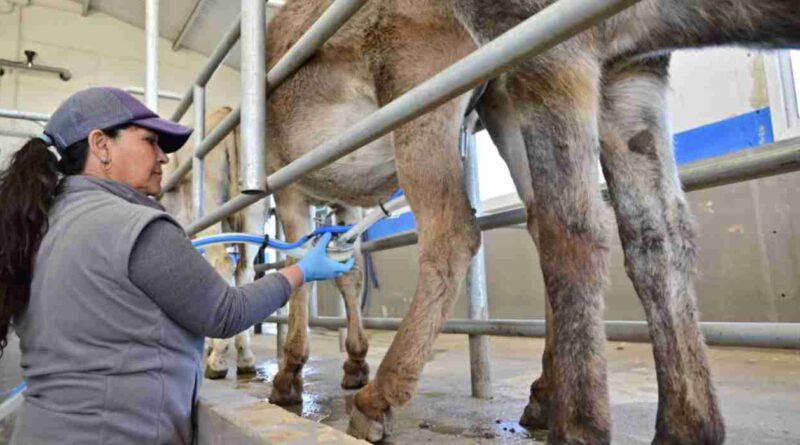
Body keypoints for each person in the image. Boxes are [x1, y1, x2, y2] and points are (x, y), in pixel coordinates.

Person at [0, 87, 354, 444]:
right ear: (101, 145)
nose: (164, 157)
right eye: (150, 141)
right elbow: (225, 313)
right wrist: (303, 270)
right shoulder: (137, 226)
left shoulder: (38, 224)